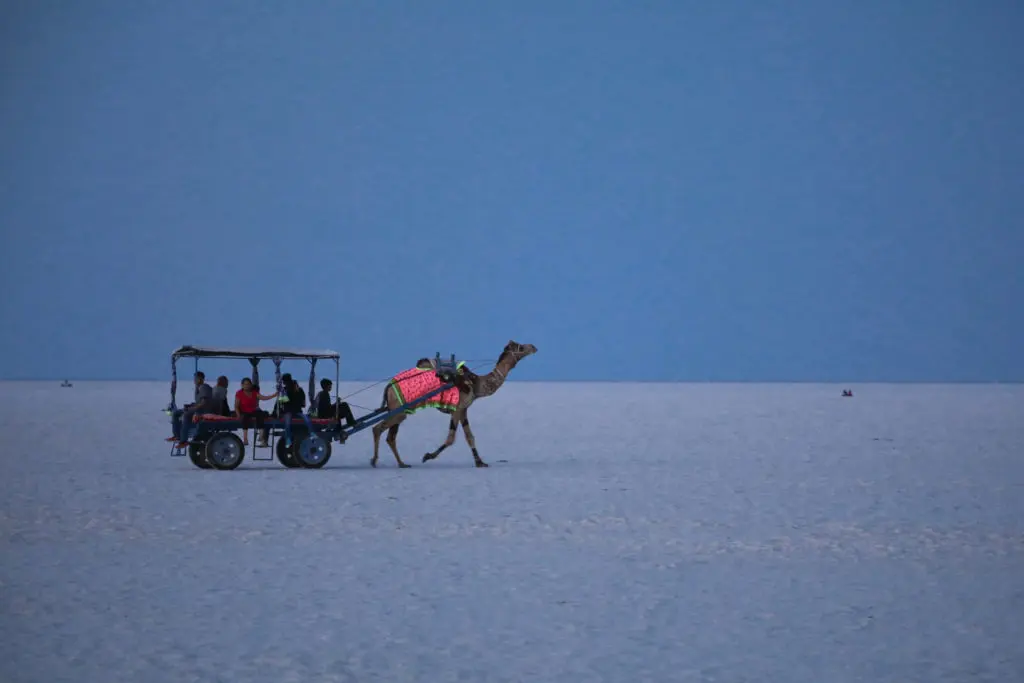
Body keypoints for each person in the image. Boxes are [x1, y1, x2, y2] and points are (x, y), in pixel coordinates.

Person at [169, 371, 214, 447]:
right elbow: (199, 402)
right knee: (176, 413)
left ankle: (184, 440)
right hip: (198, 409)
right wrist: (190, 405)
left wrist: (193, 408)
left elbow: (204, 403)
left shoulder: (204, 387)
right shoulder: (198, 388)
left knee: (186, 415)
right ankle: (177, 435)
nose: (194, 380)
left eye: (195, 379)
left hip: (204, 411)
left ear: (200, 379)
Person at [235, 377, 277, 446]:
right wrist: (238, 414)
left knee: (260, 415)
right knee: (245, 418)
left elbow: (264, 398)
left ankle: (261, 435)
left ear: (250, 385)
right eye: (245, 384)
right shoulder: (239, 393)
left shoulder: (254, 393)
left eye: (248, 384)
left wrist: (273, 395)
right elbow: (236, 406)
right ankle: (245, 439)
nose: (247, 386)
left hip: (253, 411)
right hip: (244, 411)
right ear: (242, 385)